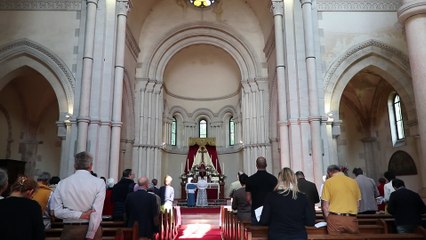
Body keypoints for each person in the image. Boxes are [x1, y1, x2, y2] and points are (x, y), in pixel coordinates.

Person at [53, 151, 106, 240]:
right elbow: (96, 212)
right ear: (91, 166)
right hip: (90, 228)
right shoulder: (99, 183)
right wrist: (90, 234)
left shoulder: (62, 183)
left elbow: (57, 212)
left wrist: (79, 215)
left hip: (70, 230)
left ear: (75, 165)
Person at [260, 168, 315, 240]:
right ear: (294, 180)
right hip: (298, 236)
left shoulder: (271, 196)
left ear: (279, 180)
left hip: (277, 236)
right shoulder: (302, 197)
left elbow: (264, 220)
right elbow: (310, 222)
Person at [0, 175, 44, 240]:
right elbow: (39, 233)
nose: (32, 197)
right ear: (30, 192)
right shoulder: (33, 206)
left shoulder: (1, 203)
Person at [321, 164, 361, 235]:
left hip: (335, 218)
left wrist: (328, 219)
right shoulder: (354, 182)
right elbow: (358, 203)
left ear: (330, 173)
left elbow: (325, 206)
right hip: (351, 218)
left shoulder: (328, 182)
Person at [246, 156, 278, 225]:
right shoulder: (273, 179)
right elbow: (276, 196)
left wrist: (256, 207)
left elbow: (248, 199)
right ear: (266, 165)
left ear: (256, 165)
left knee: (256, 233)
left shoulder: (250, 179)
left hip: (255, 210)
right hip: (270, 211)